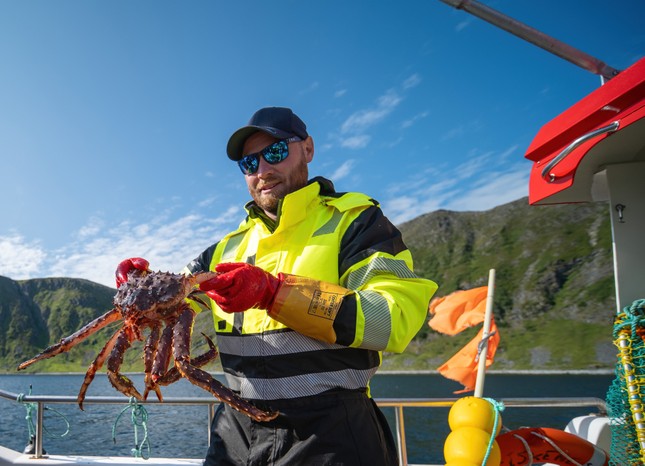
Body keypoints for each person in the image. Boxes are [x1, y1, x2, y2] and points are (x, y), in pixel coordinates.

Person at [116, 106, 438, 465]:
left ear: (308, 149)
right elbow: (173, 298)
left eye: (275, 152)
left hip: (332, 433)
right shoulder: (225, 249)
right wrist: (138, 282)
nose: (262, 170)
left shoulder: (356, 223)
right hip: (235, 431)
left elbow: (393, 320)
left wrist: (274, 293)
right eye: (249, 164)